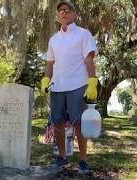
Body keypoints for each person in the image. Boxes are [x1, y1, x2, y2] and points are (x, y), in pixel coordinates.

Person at [40, 0, 98, 174]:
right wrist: (45, 80)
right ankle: (62, 158)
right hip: (57, 86)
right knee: (57, 122)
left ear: (74, 14)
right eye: (60, 11)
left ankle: (83, 160)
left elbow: (89, 60)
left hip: (78, 85)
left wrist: (92, 82)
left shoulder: (83, 34)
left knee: (79, 123)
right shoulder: (54, 39)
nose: (63, 13)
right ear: (58, 16)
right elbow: (50, 63)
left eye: (67, 10)